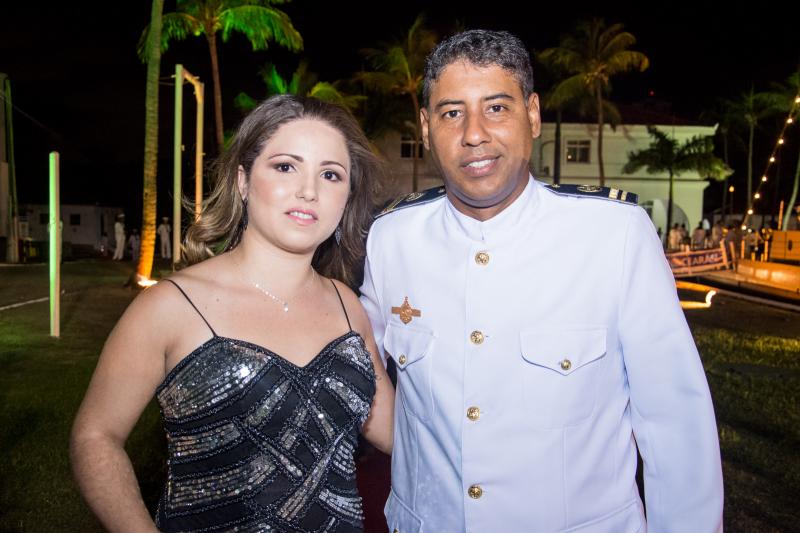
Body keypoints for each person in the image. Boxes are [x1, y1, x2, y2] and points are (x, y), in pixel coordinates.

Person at [359, 29, 723, 532]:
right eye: (451, 113)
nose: (474, 134)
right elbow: (351, 364)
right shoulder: (392, 238)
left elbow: (675, 424)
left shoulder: (614, 235)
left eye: (496, 108)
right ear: (425, 127)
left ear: (532, 114)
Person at [71, 95, 394, 532]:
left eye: (330, 174)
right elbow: (96, 437)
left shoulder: (347, 305)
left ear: (346, 198)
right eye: (286, 167)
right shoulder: (171, 305)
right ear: (243, 180)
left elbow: (394, 431)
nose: (309, 190)